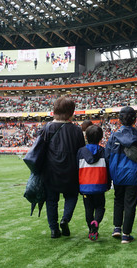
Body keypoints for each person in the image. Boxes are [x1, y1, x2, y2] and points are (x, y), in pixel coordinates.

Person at [42, 96, 85, 238]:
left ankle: (54, 229)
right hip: (71, 171)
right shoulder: (77, 131)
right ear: (71, 112)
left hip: (50, 171)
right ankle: (65, 219)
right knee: (71, 196)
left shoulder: (46, 128)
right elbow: (81, 152)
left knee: (51, 200)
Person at [106, 106, 137, 244]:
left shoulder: (113, 136)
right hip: (133, 175)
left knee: (118, 200)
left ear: (119, 120)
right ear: (135, 120)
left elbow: (107, 156)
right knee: (130, 204)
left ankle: (117, 227)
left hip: (117, 174)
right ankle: (126, 234)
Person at [77, 125, 109, 241]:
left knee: (88, 209)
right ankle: (96, 222)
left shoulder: (80, 152)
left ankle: (91, 229)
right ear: (101, 138)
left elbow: (76, 169)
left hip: (85, 186)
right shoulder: (103, 151)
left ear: (86, 137)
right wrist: (108, 183)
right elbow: (108, 168)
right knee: (100, 207)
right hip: (100, 185)